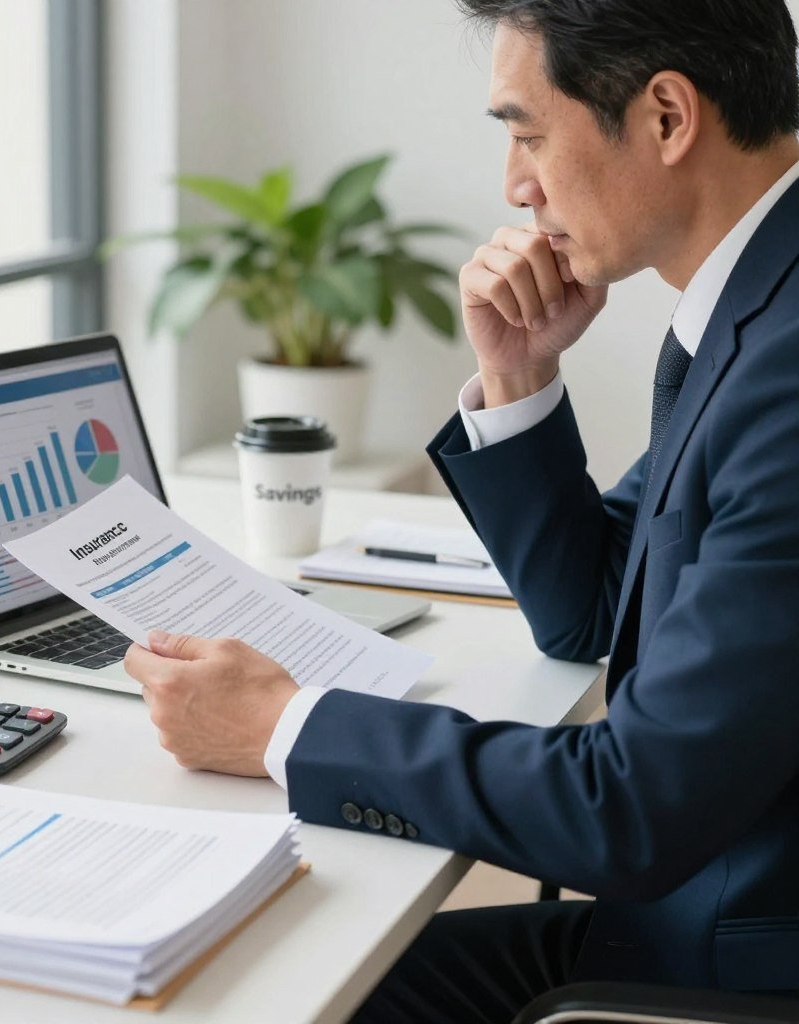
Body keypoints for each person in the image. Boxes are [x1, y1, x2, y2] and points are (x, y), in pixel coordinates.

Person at [124, 0, 799, 1019]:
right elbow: (598, 611)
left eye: (527, 133)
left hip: (725, 961)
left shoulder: (785, 365)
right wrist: (519, 374)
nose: (515, 186)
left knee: (276, 989)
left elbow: (628, 806)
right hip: (696, 906)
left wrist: (281, 726)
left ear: (666, 116)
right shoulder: (755, 305)